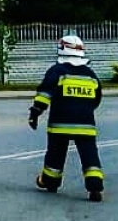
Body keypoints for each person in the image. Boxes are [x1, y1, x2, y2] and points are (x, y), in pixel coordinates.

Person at [29, 34, 107, 202]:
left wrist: (35, 112)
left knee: (55, 154)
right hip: (86, 125)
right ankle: (95, 186)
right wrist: (84, 110)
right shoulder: (90, 74)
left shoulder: (57, 71)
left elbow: (44, 94)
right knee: (90, 155)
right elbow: (97, 98)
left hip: (60, 124)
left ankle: (50, 181)